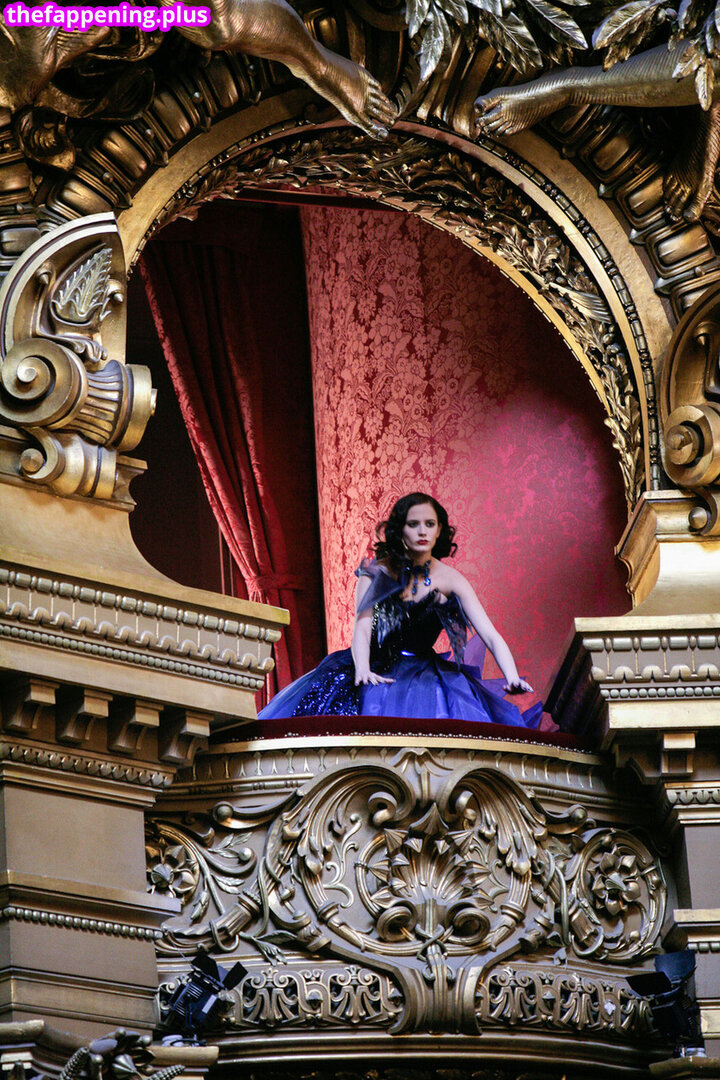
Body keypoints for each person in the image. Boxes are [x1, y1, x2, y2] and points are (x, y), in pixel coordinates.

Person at [259, 492, 542, 728]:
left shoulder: (452, 579)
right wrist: (363, 669)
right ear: (399, 530)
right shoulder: (376, 572)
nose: (422, 531)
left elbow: (490, 635)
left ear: (440, 530)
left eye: (430, 524)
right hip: (371, 665)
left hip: (425, 674)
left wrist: (511, 676)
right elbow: (362, 627)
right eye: (413, 524)